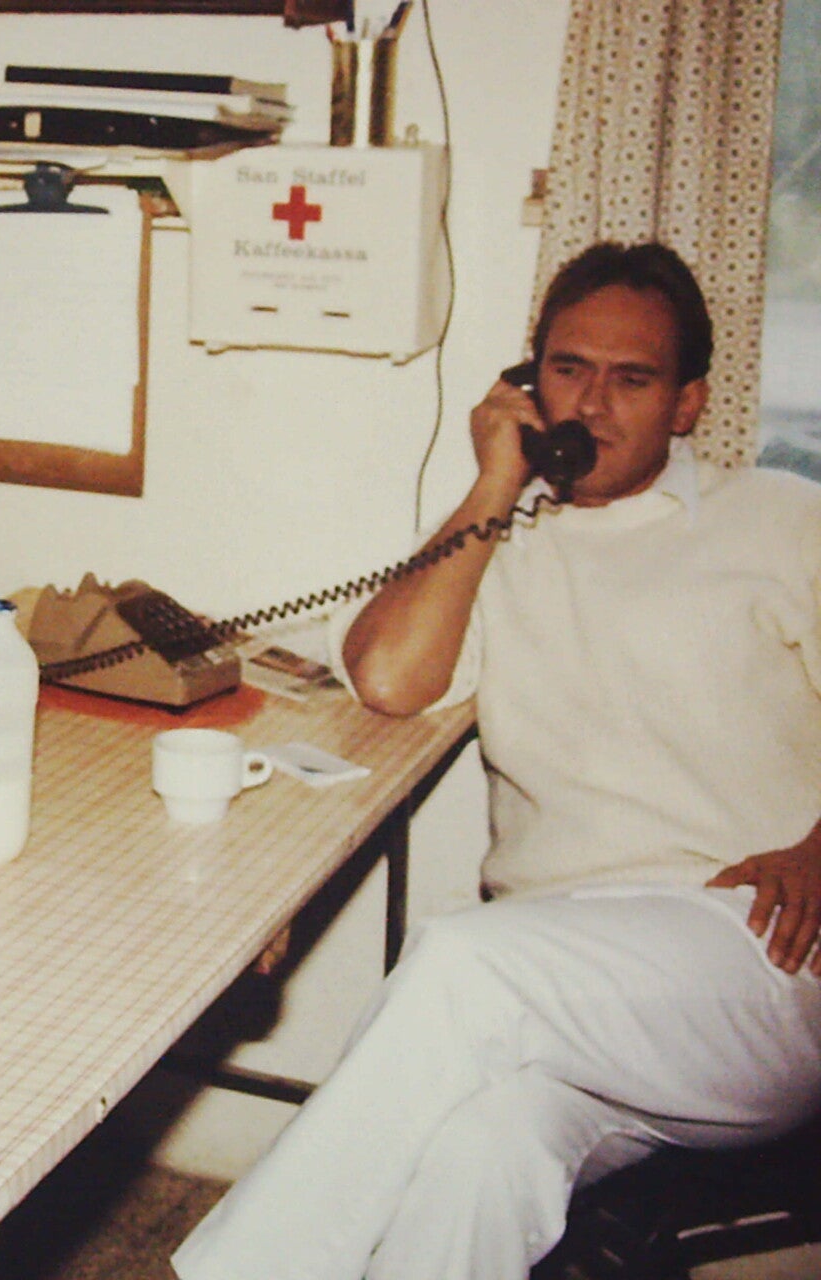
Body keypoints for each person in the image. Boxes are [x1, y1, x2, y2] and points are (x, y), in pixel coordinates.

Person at [171, 242, 821, 1280]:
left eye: (632, 379)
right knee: (481, 1154)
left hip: (751, 961)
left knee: (460, 964)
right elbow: (390, 679)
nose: (592, 404)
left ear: (689, 403)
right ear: (527, 381)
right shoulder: (497, 543)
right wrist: (492, 484)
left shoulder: (781, 520)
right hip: (555, 977)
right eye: (568, 369)